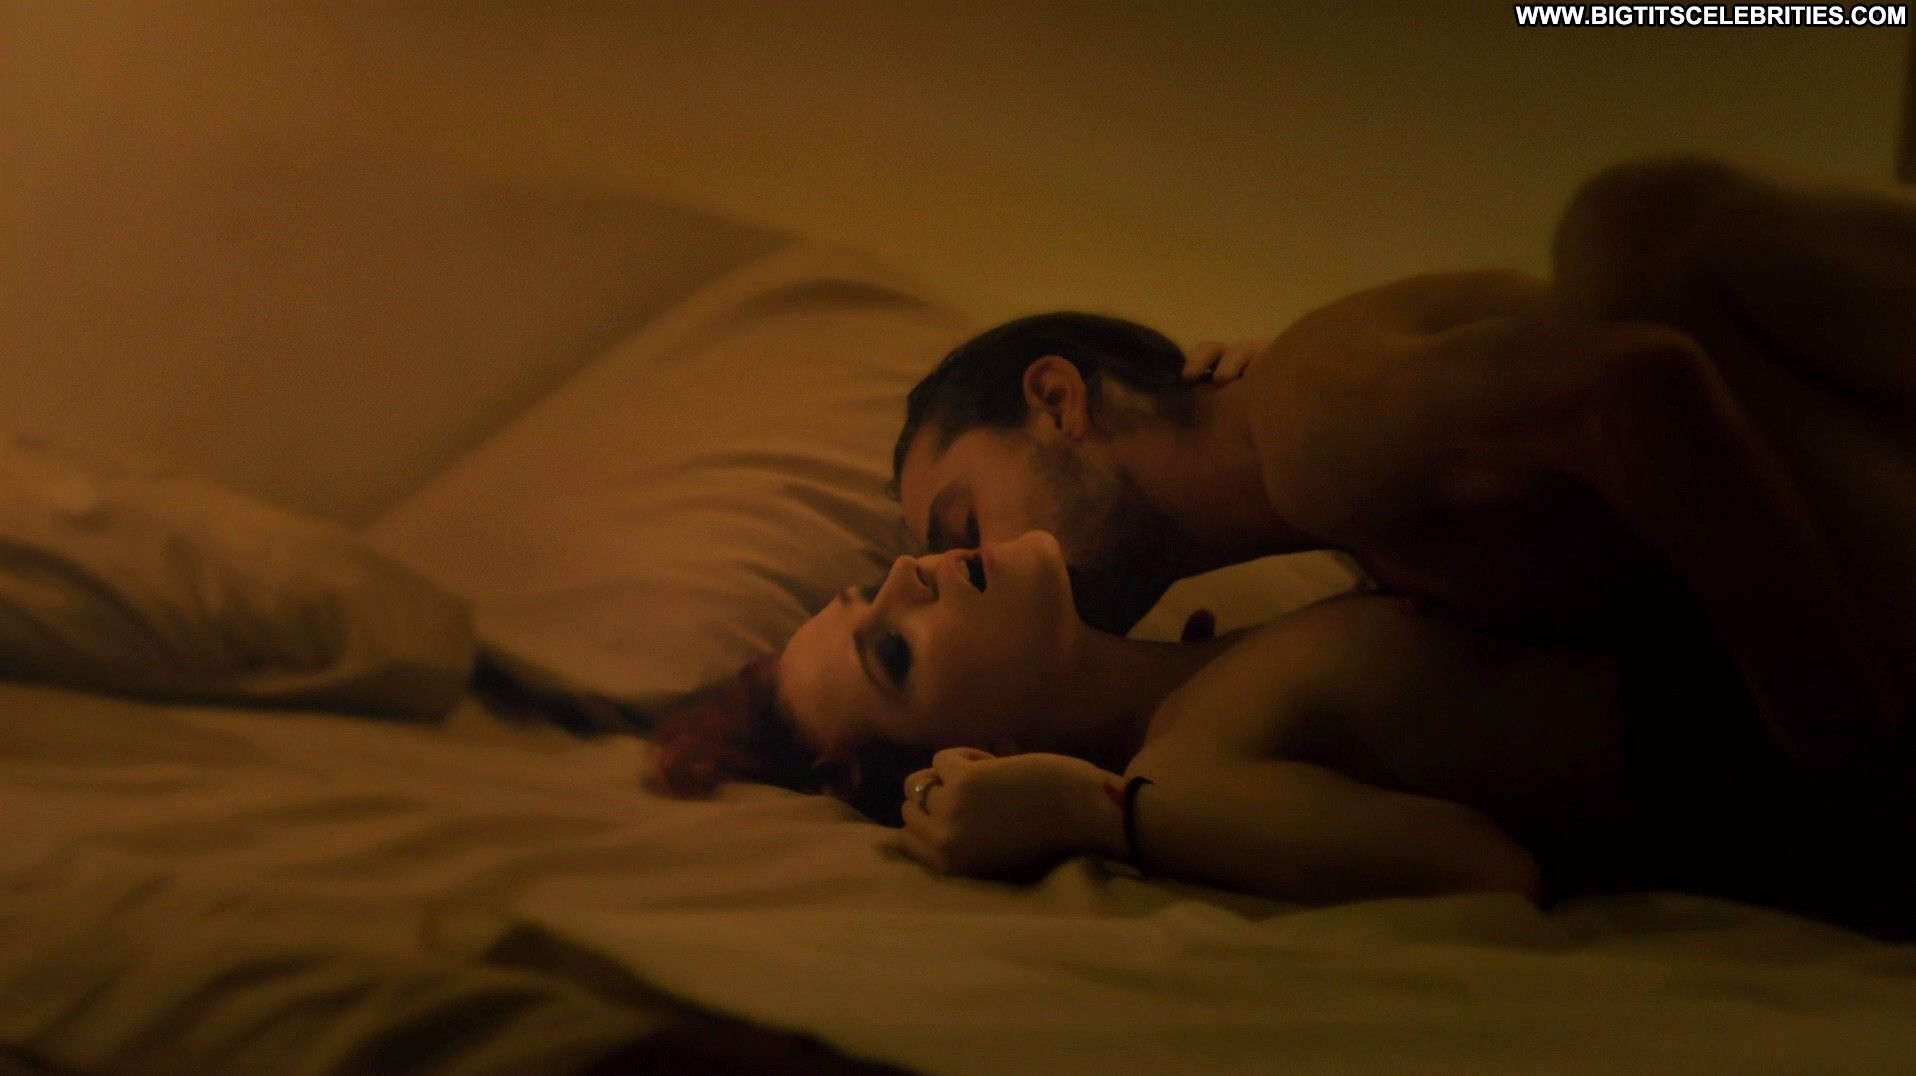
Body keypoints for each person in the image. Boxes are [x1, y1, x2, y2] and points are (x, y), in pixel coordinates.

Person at [888, 154, 1916, 845]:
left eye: (960, 522)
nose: (956, 562)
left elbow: (1625, 388)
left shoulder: (1307, 429)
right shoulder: (1317, 463)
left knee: (1631, 230)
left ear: (1057, 400)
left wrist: (1845, 752)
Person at [651, 529, 1636, 908]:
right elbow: (1484, 868)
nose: (907, 571)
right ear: (979, 754)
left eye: (871, 588)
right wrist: (1092, 813)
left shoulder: (1207, 645)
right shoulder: (1185, 765)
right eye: (894, 651)